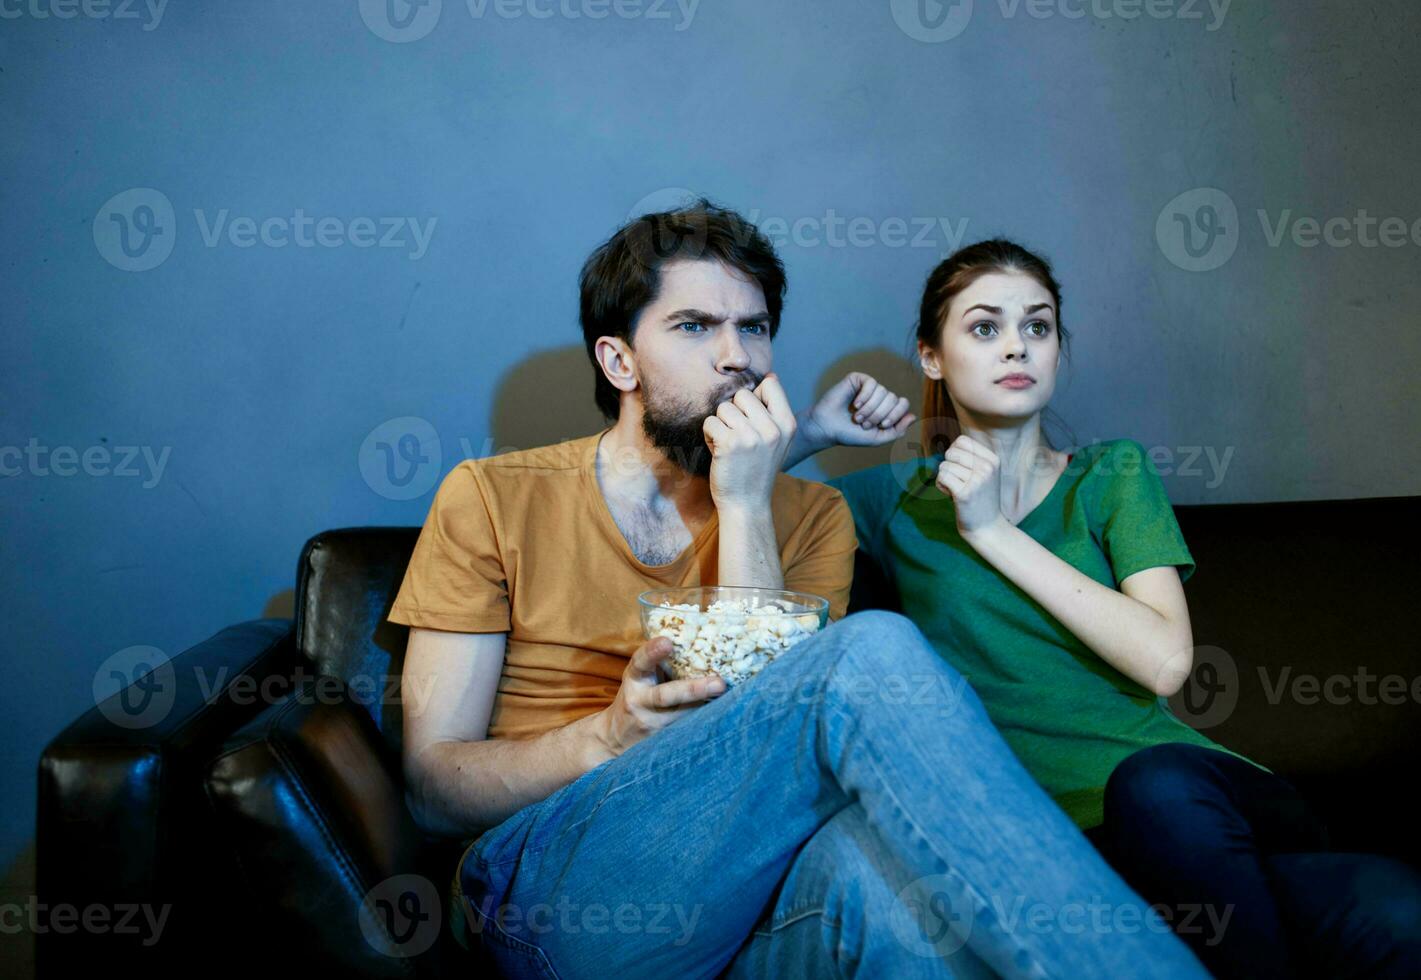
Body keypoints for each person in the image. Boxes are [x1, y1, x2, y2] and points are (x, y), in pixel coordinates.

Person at [387, 201, 1211, 978]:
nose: (736, 354)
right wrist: (602, 737)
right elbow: (431, 791)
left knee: (892, 888)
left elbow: (764, 729)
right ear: (618, 359)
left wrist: (744, 499)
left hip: (747, 886)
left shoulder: (812, 516)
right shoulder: (492, 495)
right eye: (694, 326)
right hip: (562, 889)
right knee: (872, 652)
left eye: (754, 327)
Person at [784, 237, 1421, 978]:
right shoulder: (892, 500)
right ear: (932, 356)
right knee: (1387, 910)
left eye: (1038, 326)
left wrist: (989, 530)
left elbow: (1163, 662)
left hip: (1193, 810)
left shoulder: (1111, 472)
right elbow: (716, 500)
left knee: (1154, 786)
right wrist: (811, 433)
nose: (1016, 346)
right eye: (984, 327)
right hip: (1053, 853)